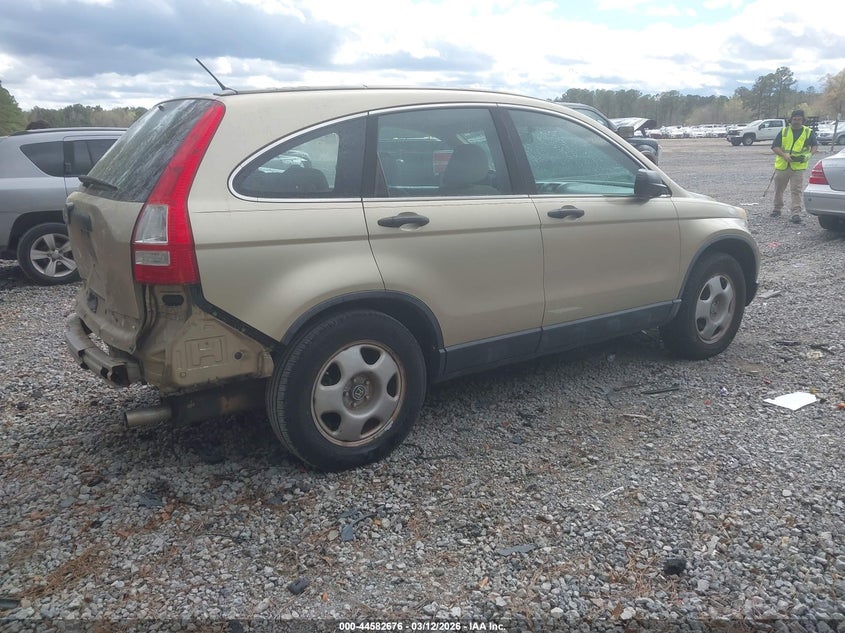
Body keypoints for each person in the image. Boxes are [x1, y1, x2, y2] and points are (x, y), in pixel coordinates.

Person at [770, 109, 818, 224]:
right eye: (794, 119)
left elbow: (815, 146)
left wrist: (809, 155)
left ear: (803, 120)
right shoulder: (784, 131)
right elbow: (775, 147)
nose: (796, 121)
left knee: (796, 190)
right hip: (783, 165)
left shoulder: (808, 132)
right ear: (790, 120)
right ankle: (777, 209)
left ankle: (795, 212)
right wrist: (784, 155)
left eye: (799, 119)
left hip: (798, 167)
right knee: (779, 189)